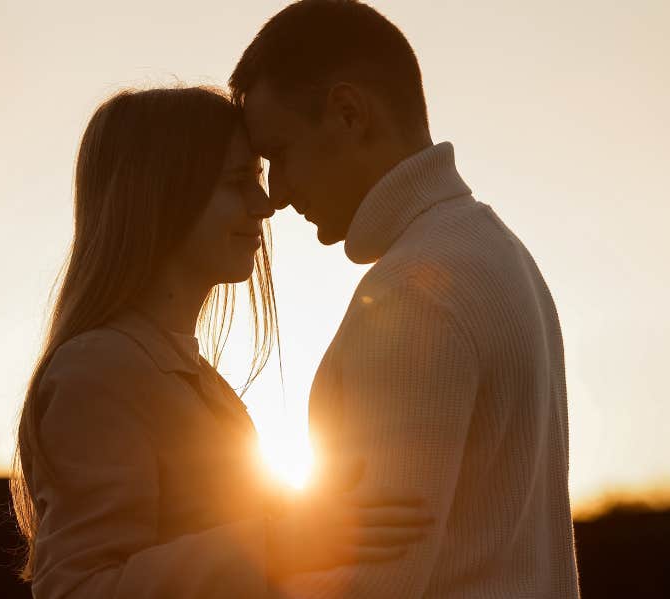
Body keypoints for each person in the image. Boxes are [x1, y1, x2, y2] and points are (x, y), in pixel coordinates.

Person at [10, 86, 432, 598]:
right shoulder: (97, 371)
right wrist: (280, 543)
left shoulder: (178, 372)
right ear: (162, 196)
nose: (266, 203)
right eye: (239, 182)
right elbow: (78, 588)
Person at [230, 1, 582, 597]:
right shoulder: (497, 252)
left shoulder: (417, 292)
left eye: (280, 154)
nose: (278, 195)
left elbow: (368, 580)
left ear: (348, 113)